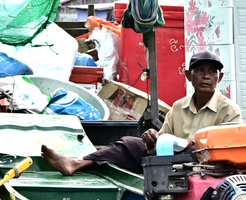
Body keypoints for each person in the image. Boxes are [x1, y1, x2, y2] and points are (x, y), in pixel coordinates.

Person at [43, 50, 243, 175]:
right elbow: (161, 142)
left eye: (212, 72)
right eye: (201, 71)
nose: (207, 76)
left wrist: (185, 146)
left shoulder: (228, 110)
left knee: (194, 151)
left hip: (205, 167)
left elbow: (227, 154)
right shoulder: (178, 106)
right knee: (130, 143)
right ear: (189, 76)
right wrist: (151, 140)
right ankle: (75, 164)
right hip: (170, 161)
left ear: (220, 77)